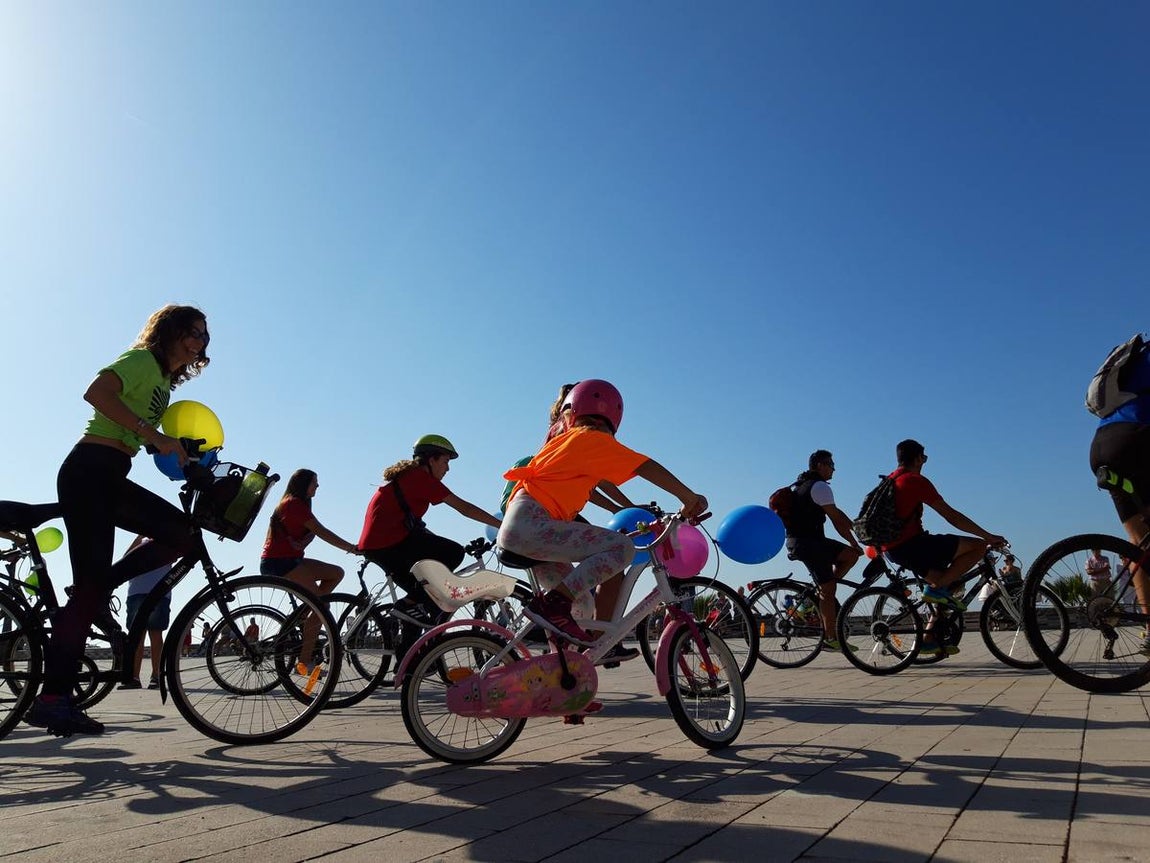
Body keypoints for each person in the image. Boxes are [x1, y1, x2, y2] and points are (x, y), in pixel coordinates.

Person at [27, 305, 208, 736]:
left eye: (205, 335)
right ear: (171, 331)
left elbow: (140, 432)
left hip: (109, 471)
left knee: (175, 536)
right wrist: (154, 434)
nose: (200, 340)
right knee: (170, 539)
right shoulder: (143, 360)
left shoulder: (163, 383)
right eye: (193, 331)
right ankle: (52, 699)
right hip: (91, 469)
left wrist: (178, 449)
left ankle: (58, 692)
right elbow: (96, 392)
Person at [499, 379, 708, 650]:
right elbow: (645, 465)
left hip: (523, 528)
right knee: (621, 548)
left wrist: (625, 507)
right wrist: (689, 497)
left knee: (582, 604)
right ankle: (551, 605)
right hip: (532, 524)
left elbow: (600, 479)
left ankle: (559, 668)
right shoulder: (592, 437)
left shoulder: (567, 440)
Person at [358, 435, 502, 645]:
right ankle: (407, 605)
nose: (447, 469)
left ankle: (410, 663)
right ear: (431, 460)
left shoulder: (408, 478)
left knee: (423, 606)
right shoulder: (419, 477)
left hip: (382, 544)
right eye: (445, 462)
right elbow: (465, 508)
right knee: (453, 553)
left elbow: (413, 526)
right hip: (388, 543)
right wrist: (502, 524)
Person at [879, 439, 1007, 657]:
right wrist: (987, 536)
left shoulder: (890, 480)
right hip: (911, 545)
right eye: (924, 458)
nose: (924, 462)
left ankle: (928, 640)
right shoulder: (914, 480)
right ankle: (937, 589)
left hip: (893, 549)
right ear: (918, 458)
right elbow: (951, 516)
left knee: (947, 585)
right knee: (978, 547)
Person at [260, 468, 359, 674]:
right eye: (315, 482)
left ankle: (309, 615)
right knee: (320, 607)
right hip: (279, 563)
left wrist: (304, 539)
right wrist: (350, 547)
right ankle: (304, 663)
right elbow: (321, 531)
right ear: (303, 484)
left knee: (336, 573)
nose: (318, 486)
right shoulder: (293, 503)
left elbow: (311, 532)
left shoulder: (301, 504)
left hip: (293, 560)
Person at [1089, 341, 1150, 654]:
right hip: (1136, 438)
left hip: (1102, 446)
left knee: (1140, 544)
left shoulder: (1136, 358)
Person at [782, 450, 864, 651]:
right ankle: (830, 637)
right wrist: (854, 541)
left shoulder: (803, 485)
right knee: (828, 590)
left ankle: (825, 590)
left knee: (848, 559)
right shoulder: (818, 486)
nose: (833, 469)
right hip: (808, 544)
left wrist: (858, 531)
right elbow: (836, 520)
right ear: (820, 465)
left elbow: (838, 514)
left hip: (803, 542)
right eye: (830, 464)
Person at [118, 536, 173, 691]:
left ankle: (156, 676)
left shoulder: (167, 541)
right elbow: (126, 559)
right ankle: (134, 677)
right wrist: (140, 536)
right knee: (136, 636)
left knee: (155, 635)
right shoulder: (140, 543)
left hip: (158, 592)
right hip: (136, 593)